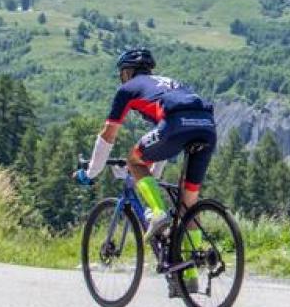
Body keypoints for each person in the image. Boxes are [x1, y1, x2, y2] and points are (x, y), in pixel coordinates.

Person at [75, 47, 216, 293]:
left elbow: (108, 134)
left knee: (133, 160)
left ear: (127, 72)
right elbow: (161, 148)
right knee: (188, 205)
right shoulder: (166, 84)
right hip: (206, 126)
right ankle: (190, 276)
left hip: (177, 124)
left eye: (122, 74)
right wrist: (148, 175)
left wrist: (90, 173)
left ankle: (157, 212)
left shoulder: (128, 89)